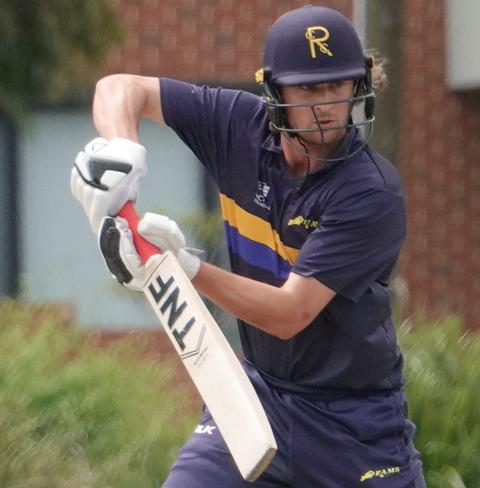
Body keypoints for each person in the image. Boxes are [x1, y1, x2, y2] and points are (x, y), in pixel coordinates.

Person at [71, 5, 425, 487]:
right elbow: (118, 88)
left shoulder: (371, 192)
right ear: (275, 91)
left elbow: (290, 314)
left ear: (359, 87)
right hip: (257, 399)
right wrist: (122, 152)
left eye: (336, 87)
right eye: (307, 89)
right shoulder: (237, 125)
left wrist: (186, 268)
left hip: (354, 424)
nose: (324, 106)